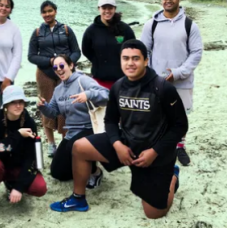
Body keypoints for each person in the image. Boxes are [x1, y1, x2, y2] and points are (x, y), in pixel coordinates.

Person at [50, 40, 188, 219]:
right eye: (126, 58)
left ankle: (173, 176)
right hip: (126, 143)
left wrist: (155, 151)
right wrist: (117, 144)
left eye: (136, 58)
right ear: (120, 61)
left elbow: (180, 126)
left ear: (146, 61)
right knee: (78, 147)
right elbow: (110, 121)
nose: (130, 63)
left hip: (154, 150)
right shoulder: (118, 87)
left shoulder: (162, 88)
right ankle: (78, 198)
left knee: (154, 213)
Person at [140, 0, 203, 166]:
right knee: (158, 114)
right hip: (156, 80)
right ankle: (160, 145)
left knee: (180, 115)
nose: (168, 0)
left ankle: (179, 146)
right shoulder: (151, 24)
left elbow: (196, 53)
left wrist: (178, 72)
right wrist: (149, 75)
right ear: (161, 0)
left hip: (182, 81)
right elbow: (144, 51)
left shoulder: (189, 24)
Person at [37, 55, 109, 188]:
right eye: (55, 67)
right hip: (72, 132)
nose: (59, 69)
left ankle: (95, 171)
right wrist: (43, 107)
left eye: (62, 65)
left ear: (71, 65)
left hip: (91, 128)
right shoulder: (58, 90)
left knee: (74, 146)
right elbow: (53, 113)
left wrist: (88, 95)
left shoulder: (83, 80)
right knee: (57, 172)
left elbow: (107, 95)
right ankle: (82, 167)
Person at [0, 85, 47, 220]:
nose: (18, 106)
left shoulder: (29, 122)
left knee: (40, 188)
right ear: (6, 105)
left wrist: (19, 187)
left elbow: (31, 157)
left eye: (21, 102)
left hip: (17, 165)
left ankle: (11, 183)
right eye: (13, 102)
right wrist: (18, 135)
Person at [28, 0, 81, 157]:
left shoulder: (66, 30)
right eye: (44, 12)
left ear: (55, 11)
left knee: (67, 107)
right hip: (45, 74)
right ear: (41, 14)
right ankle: (51, 144)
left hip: (66, 74)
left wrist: (68, 63)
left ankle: (65, 141)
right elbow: (31, 56)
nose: (47, 14)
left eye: (50, 11)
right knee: (46, 107)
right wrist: (50, 61)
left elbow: (77, 51)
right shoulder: (37, 32)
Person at [82, 0, 136, 89]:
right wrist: (98, 61)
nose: (107, 11)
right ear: (99, 9)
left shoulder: (125, 29)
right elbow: (86, 50)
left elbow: (134, 49)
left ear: (114, 9)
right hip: (100, 79)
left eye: (110, 8)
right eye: (104, 8)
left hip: (123, 79)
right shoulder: (91, 31)